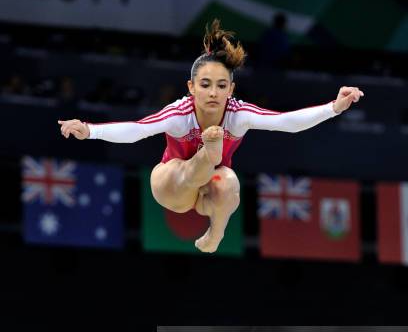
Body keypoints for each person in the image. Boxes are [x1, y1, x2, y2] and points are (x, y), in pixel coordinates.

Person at [58, 20, 364, 254]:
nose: (213, 92)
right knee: (203, 163)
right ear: (191, 88)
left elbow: (287, 123)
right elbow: (138, 129)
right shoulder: (180, 113)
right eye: (205, 84)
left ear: (231, 89)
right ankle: (209, 151)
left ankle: (216, 233)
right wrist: (90, 131)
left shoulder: (238, 112)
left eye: (221, 85)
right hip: (173, 184)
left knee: (229, 181)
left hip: (211, 192)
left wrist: (334, 108)